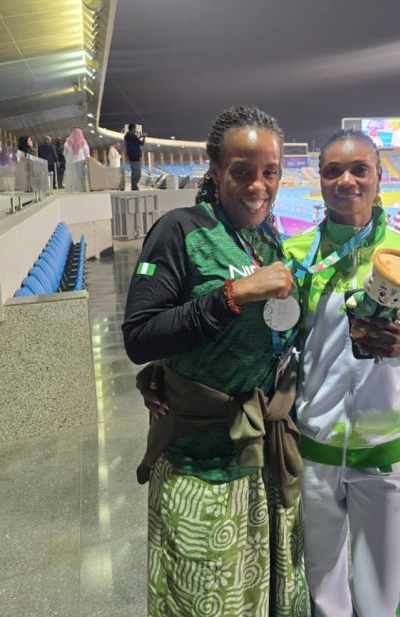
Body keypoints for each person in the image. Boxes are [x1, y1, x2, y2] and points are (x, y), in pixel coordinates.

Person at [123, 107, 309, 617]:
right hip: (200, 467)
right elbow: (139, 336)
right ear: (215, 168)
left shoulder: (268, 239)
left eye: (270, 172)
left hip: (265, 462)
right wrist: (233, 295)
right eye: (242, 171)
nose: (258, 186)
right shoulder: (179, 230)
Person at [283, 129, 400, 617]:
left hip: (386, 448)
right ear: (320, 180)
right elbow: (282, 340)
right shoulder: (296, 255)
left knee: (379, 597)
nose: (347, 181)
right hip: (314, 446)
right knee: (324, 592)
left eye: (360, 170)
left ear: (379, 178)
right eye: (333, 171)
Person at [63, 128, 90, 192]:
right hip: (80, 161)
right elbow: (86, 153)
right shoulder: (83, 142)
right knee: (80, 176)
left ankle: (70, 189)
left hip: (70, 162)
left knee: (71, 176)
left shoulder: (67, 142)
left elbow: (64, 153)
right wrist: (87, 160)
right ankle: (81, 189)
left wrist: (68, 158)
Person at [124, 123, 146, 190]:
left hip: (131, 156)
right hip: (135, 156)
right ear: (133, 128)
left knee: (134, 172)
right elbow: (142, 143)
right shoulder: (133, 135)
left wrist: (139, 137)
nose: (135, 130)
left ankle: (133, 185)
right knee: (137, 173)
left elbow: (134, 142)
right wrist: (144, 137)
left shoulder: (127, 136)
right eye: (135, 128)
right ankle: (134, 186)